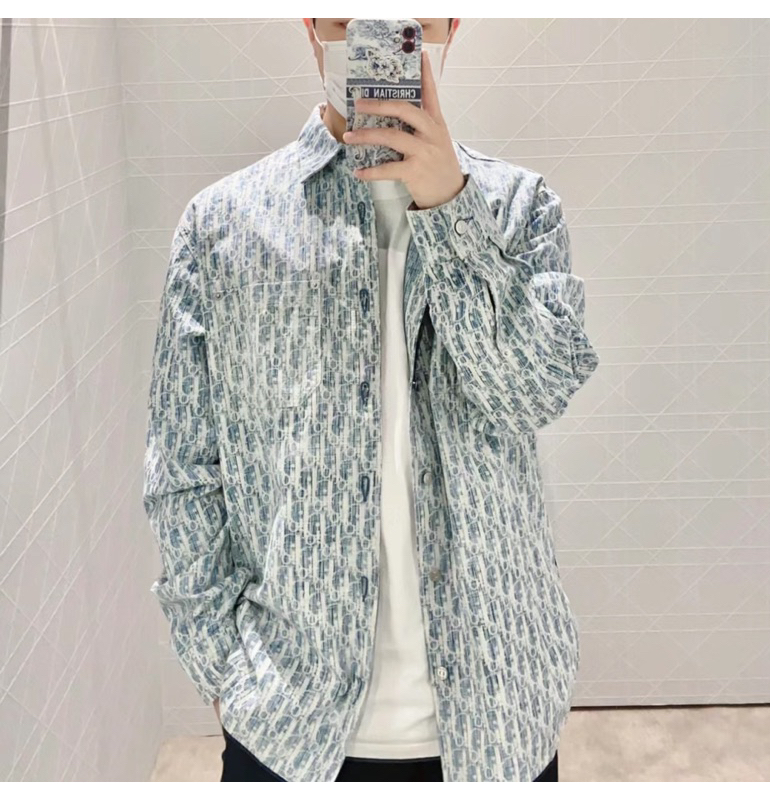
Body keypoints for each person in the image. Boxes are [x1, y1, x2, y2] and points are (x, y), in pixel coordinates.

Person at [142, 16, 599, 783]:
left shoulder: (521, 209)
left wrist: (449, 210)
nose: (376, 36)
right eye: (350, 20)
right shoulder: (223, 225)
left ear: (450, 27)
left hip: (497, 721)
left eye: (407, 23)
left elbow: (533, 392)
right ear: (310, 26)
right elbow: (184, 467)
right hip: (289, 725)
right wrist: (220, 666)